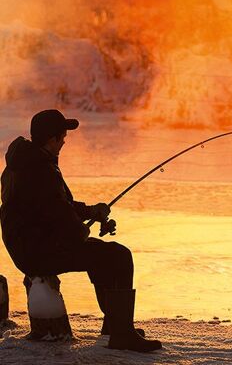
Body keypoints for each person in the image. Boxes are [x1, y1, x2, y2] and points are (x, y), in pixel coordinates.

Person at [0, 109, 162, 352]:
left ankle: (115, 326)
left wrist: (91, 213)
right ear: (51, 139)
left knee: (102, 254)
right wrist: (82, 233)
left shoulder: (24, 162)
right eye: (62, 137)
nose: (64, 141)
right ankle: (121, 333)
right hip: (37, 251)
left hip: (30, 244)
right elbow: (59, 214)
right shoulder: (40, 170)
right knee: (118, 256)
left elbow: (56, 206)